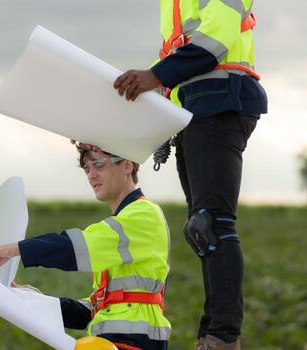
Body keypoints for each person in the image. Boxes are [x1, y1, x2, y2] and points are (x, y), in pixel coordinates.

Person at [112, 0, 268, 349]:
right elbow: (180, 51)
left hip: (221, 100)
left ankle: (222, 338)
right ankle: (212, 334)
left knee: (211, 224)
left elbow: (216, 39)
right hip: (192, 108)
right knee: (202, 228)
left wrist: (156, 75)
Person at [0, 146, 172, 350]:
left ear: (127, 165)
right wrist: (36, 301)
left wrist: (14, 249)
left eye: (98, 165)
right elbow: (94, 309)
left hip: (135, 342)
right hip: (118, 341)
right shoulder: (126, 222)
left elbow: (75, 247)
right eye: (87, 169)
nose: (91, 175)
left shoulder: (143, 214)